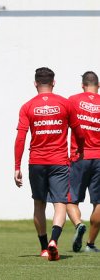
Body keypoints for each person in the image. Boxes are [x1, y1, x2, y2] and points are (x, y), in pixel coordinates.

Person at [14, 67, 85, 261]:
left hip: (36, 162)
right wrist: (81, 148)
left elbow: (21, 138)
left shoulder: (27, 106)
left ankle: (44, 247)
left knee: (39, 203)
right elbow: (79, 132)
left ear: (35, 83)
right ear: (54, 83)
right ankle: (55, 241)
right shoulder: (66, 104)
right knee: (60, 203)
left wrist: (16, 166)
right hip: (59, 162)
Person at [67, 71, 100, 253]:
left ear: (82, 85)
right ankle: (90, 244)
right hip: (99, 157)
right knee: (99, 203)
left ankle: (79, 224)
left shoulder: (73, 100)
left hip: (79, 157)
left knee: (71, 200)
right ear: (98, 85)